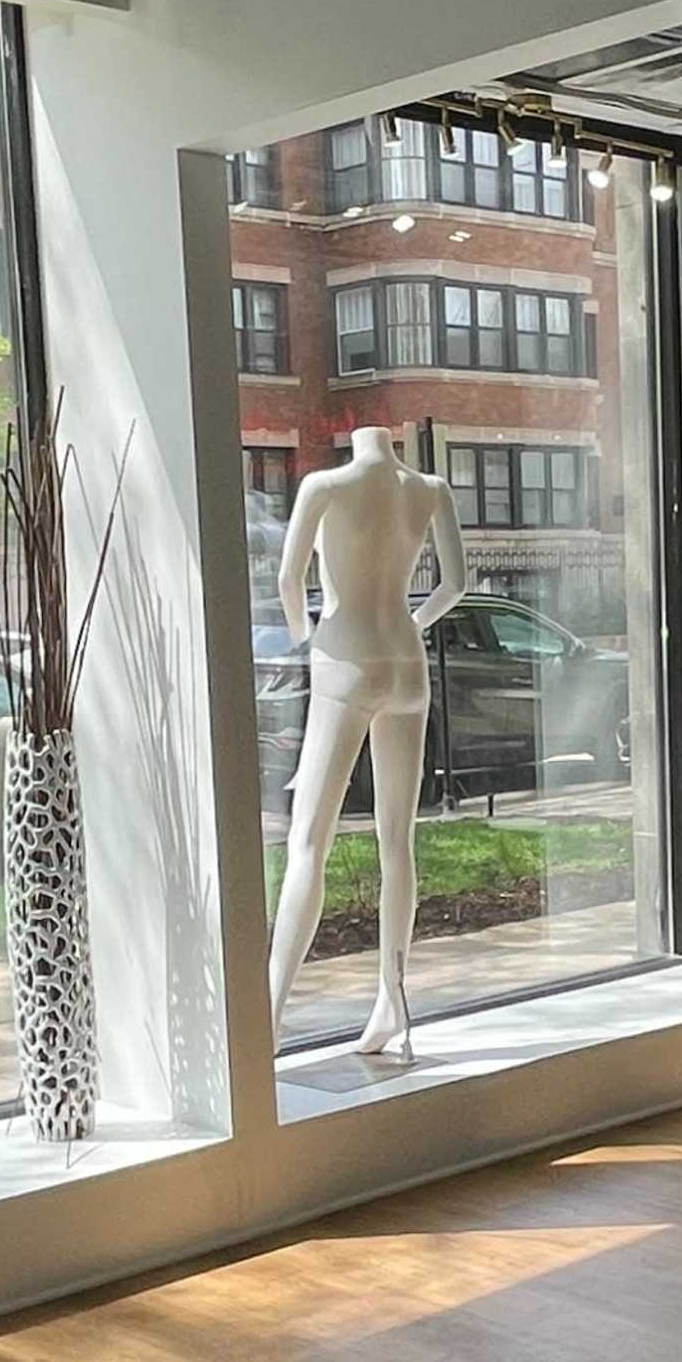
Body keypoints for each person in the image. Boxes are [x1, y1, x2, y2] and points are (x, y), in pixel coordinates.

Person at [262, 429, 464, 1066]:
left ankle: (268, 1015)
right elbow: (456, 583)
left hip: (345, 660)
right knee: (396, 842)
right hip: (407, 661)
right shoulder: (429, 489)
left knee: (308, 843)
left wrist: (305, 639)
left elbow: (289, 579)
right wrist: (411, 625)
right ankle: (391, 1000)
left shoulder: (324, 485)